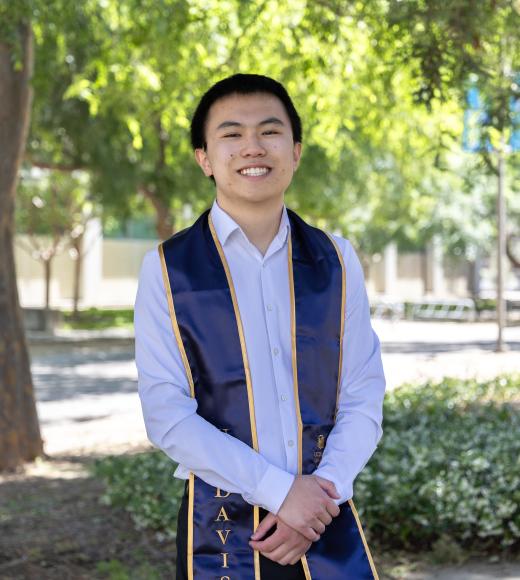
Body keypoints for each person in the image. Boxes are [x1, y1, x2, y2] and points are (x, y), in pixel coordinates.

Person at [135, 73, 385, 580]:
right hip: (220, 529)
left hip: (324, 517)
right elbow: (166, 413)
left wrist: (319, 496)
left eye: (270, 132)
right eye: (231, 134)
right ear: (205, 158)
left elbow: (362, 395)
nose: (253, 147)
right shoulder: (169, 268)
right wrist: (281, 493)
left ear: (295, 151)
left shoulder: (335, 260)